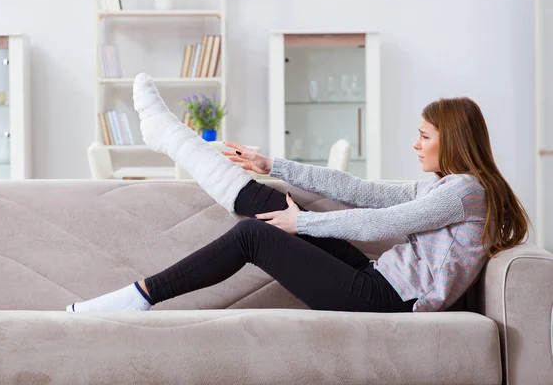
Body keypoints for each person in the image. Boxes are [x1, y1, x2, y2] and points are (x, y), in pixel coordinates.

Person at [66, 73, 530, 313]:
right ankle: (172, 139)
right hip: (380, 280)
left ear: (453, 139)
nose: (416, 144)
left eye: (425, 136)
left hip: (390, 299)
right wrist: (272, 165)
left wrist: (300, 223)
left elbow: (384, 223)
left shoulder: (466, 193)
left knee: (256, 235)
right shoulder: (447, 186)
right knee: (270, 204)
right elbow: (360, 191)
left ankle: (138, 296)